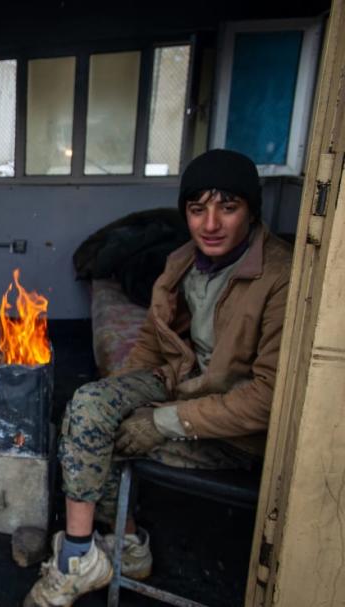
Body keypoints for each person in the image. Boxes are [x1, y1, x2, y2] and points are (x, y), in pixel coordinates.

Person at [24, 149, 292, 607]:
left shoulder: (281, 277)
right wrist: (117, 397)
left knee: (100, 431)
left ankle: (99, 551)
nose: (210, 224)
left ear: (251, 211)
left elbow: (268, 397)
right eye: (196, 209)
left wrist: (163, 421)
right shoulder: (183, 261)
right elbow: (151, 340)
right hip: (179, 380)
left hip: (233, 424)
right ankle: (111, 549)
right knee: (90, 408)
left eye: (227, 207)